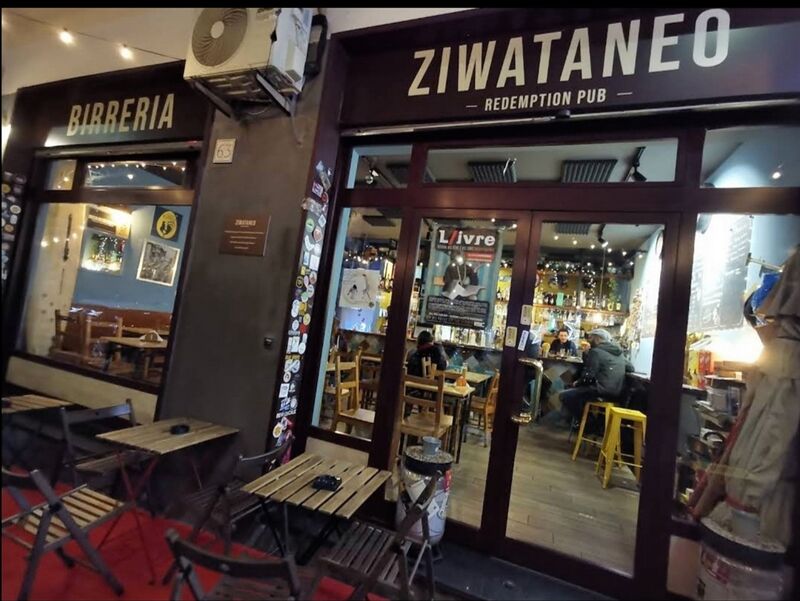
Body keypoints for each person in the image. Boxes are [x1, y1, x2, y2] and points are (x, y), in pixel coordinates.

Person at [546, 328, 633, 429]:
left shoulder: (596, 352)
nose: (588, 340)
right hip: (618, 392)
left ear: (598, 339)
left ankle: (588, 425)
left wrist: (577, 383)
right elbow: (631, 368)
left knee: (565, 395)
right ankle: (582, 423)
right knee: (574, 392)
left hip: (600, 390)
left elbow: (588, 376)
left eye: (591, 337)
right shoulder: (618, 353)